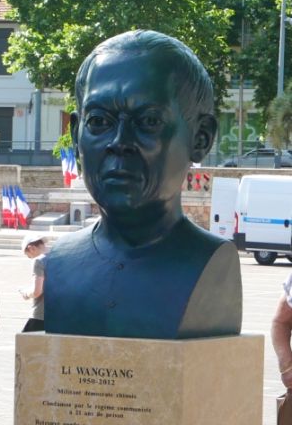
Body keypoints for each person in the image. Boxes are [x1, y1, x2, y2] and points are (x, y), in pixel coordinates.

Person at [45, 30, 241, 339]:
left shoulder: (211, 266)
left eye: (148, 121)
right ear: (76, 136)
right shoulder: (59, 262)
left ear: (200, 138)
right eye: (99, 121)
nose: (119, 143)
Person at [20, 234, 48, 332]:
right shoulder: (59, 258)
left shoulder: (39, 261)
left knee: (25, 345)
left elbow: (37, 291)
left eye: (28, 256)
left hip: (41, 313)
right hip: (60, 312)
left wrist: (26, 293)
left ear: (31, 248)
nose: (30, 258)